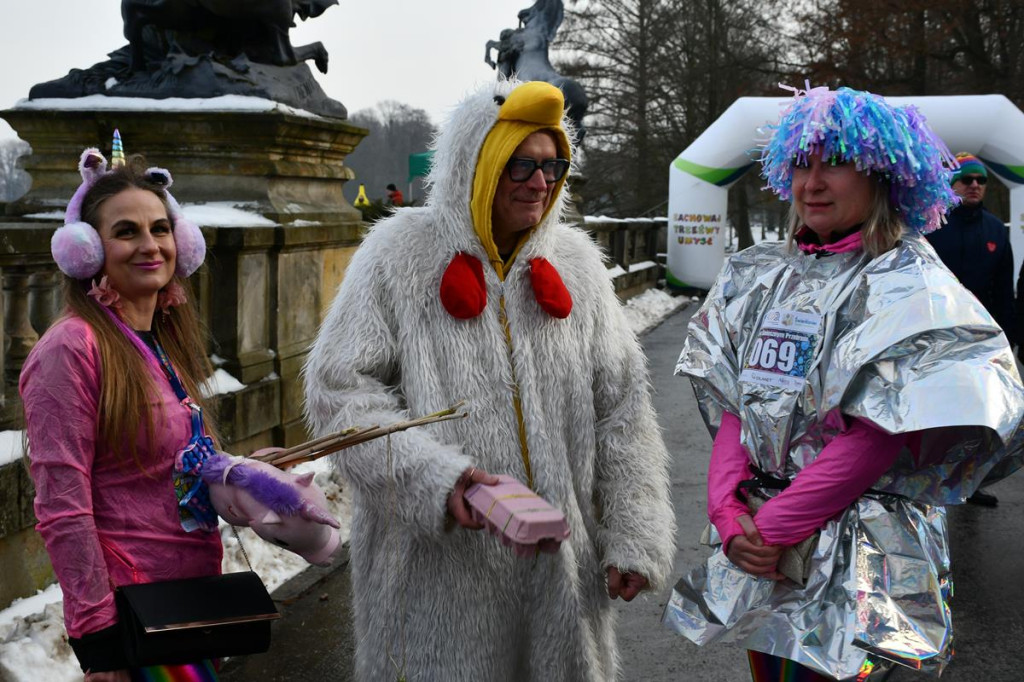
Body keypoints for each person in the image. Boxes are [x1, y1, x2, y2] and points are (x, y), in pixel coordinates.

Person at [304, 80, 675, 681]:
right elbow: (340, 395)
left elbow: (622, 410)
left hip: (559, 574)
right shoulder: (397, 255)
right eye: (520, 165)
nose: (540, 182)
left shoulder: (578, 264)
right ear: (475, 167)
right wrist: (439, 479)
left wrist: (634, 531)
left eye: (553, 165)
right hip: (435, 574)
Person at [664, 86, 1023, 681]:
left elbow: (876, 435)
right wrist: (729, 517)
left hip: (860, 555)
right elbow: (737, 403)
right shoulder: (759, 274)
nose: (813, 183)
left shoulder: (912, 285)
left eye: (835, 163)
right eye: (801, 164)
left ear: (882, 173)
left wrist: (771, 528)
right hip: (763, 548)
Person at [20, 140, 221, 681]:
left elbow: (166, 467)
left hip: (188, 602)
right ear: (84, 250)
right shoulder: (71, 349)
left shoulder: (161, 339)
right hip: (132, 616)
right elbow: (63, 505)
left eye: (160, 228)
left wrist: (243, 472)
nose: (150, 245)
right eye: (126, 231)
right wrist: (99, 636)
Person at [924, 153, 1012, 507]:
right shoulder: (930, 224)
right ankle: (923, 484)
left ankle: (968, 484)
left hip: (979, 339)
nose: (974, 184)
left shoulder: (994, 229)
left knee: (975, 418)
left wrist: (1010, 337)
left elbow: (1003, 287)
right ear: (951, 184)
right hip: (933, 334)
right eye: (966, 178)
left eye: (981, 179)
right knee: (933, 414)